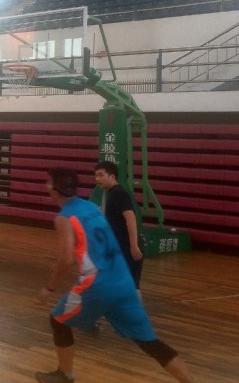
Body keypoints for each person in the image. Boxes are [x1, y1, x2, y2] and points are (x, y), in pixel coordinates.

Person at [36, 167, 192, 383]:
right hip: (122, 281)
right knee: (149, 342)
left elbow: (66, 259)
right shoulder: (91, 207)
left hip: (97, 284)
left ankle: (65, 375)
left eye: (48, 182)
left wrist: (50, 287)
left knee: (58, 320)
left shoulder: (64, 217)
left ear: (54, 190)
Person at [94, 160, 144, 294]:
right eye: (96, 175)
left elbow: (130, 218)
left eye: (101, 175)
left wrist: (133, 246)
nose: (97, 179)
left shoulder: (118, 193)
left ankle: (135, 307)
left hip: (128, 247)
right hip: (120, 247)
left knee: (131, 285)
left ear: (112, 176)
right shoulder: (111, 193)